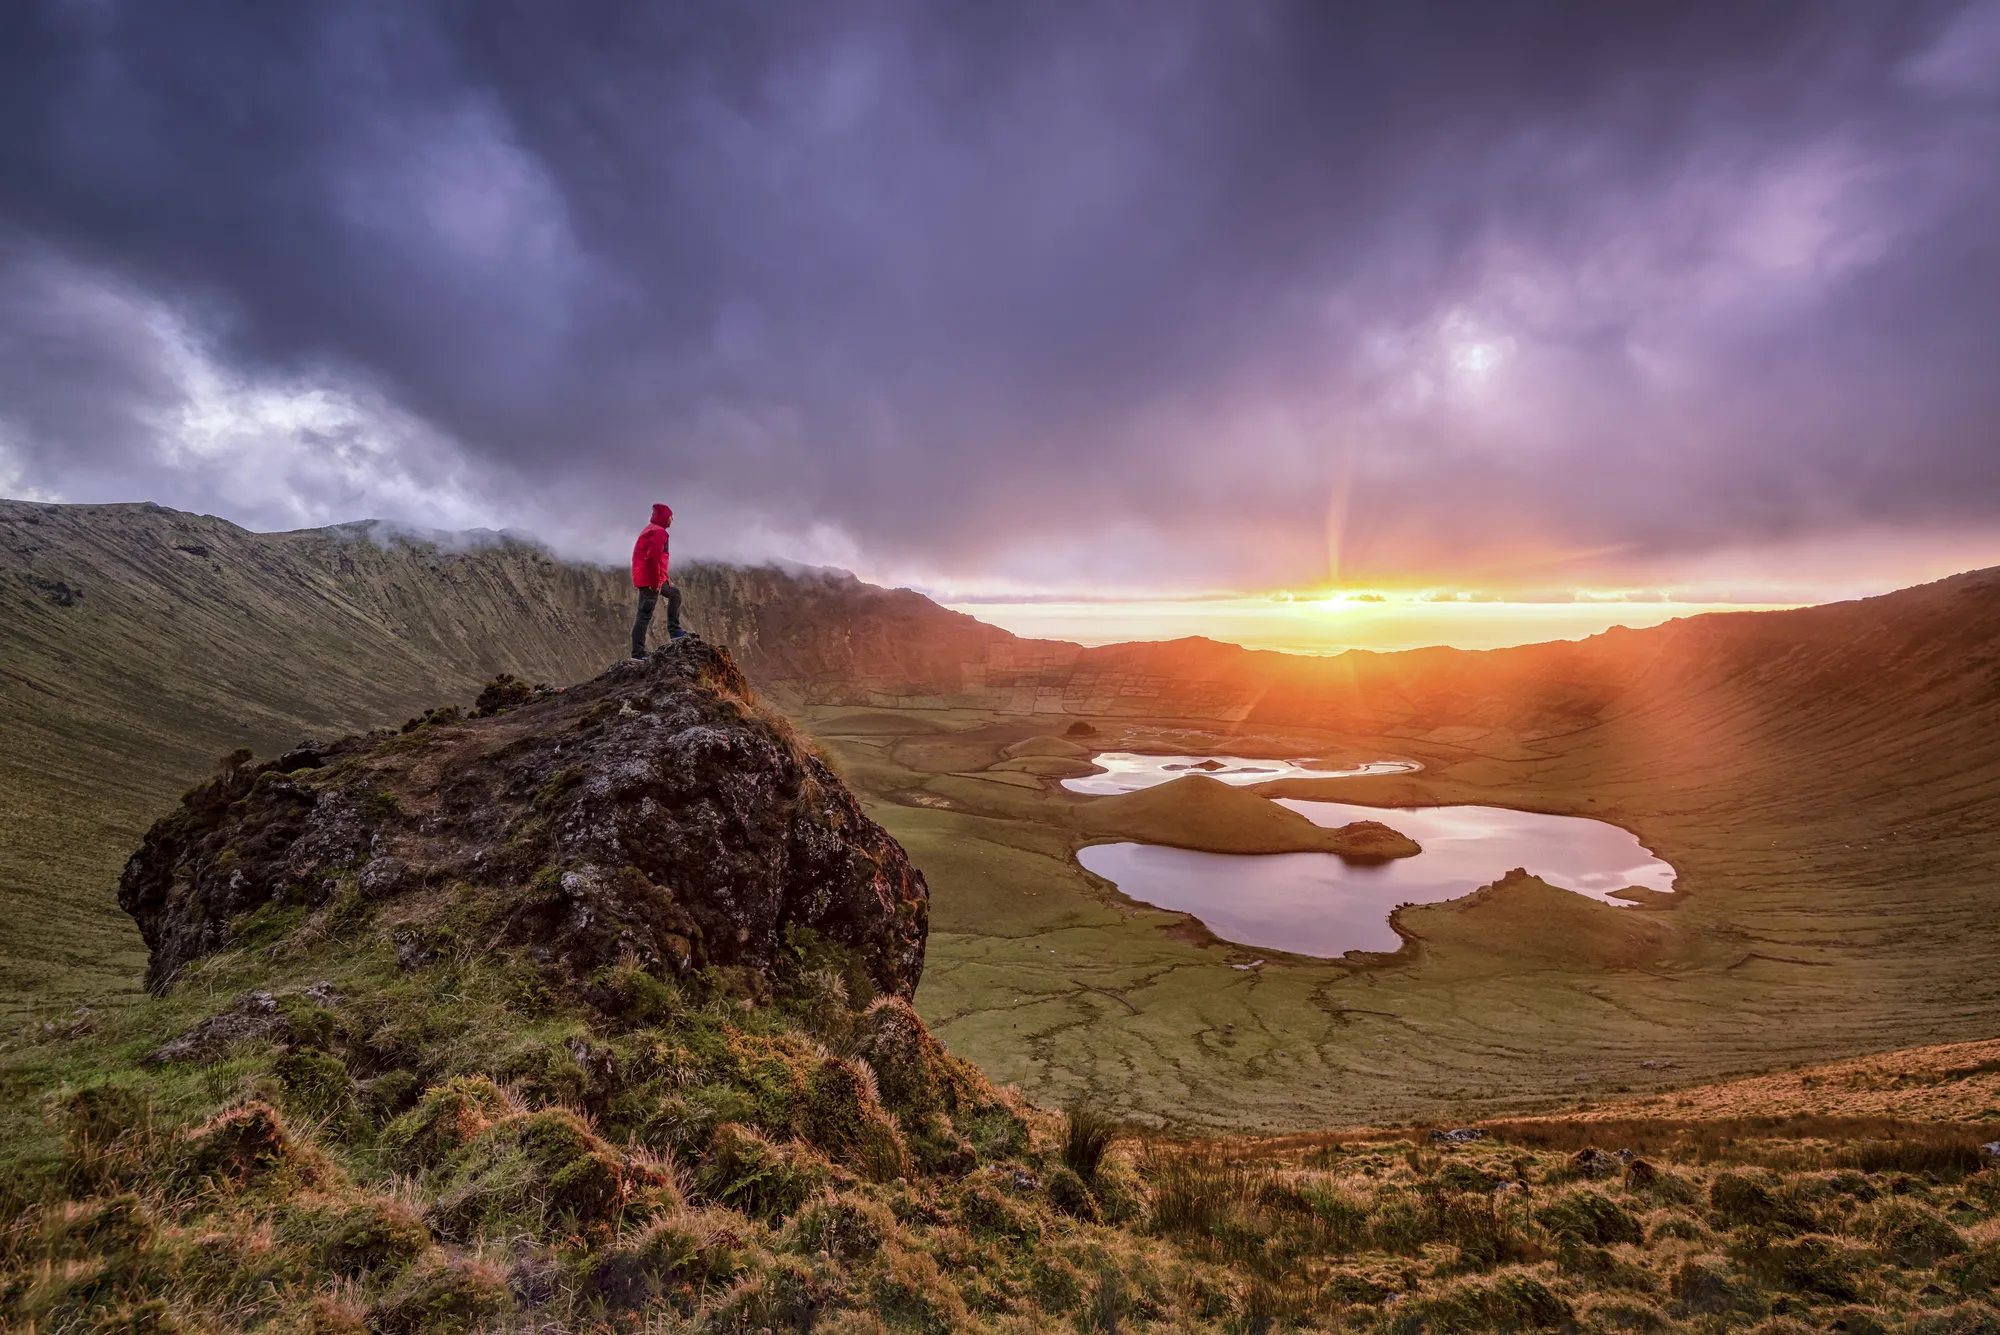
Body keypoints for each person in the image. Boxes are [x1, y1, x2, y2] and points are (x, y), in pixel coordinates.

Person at [630, 502, 686, 657]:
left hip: (653, 577)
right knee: (644, 615)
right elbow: (652, 559)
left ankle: (675, 632)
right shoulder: (658, 533)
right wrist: (655, 583)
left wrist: (665, 578)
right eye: (670, 517)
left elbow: (659, 560)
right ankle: (638, 653)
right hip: (650, 580)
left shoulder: (653, 530)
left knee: (674, 593)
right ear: (664, 518)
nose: (672, 520)